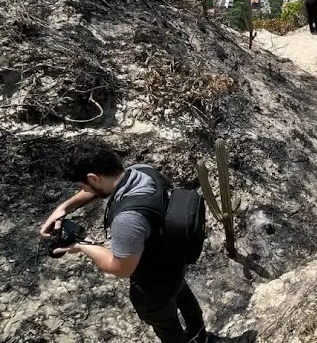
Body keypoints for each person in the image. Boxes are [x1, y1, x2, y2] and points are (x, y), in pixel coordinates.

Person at [40, 140, 214, 343]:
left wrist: (81, 245)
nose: (83, 190)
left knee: (166, 324)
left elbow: (120, 268)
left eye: (82, 185)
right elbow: (99, 190)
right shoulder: (142, 171)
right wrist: (63, 208)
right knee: (182, 295)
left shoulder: (127, 219)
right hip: (174, 257)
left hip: (153, 283)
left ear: (93, 178)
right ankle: (202, 336)